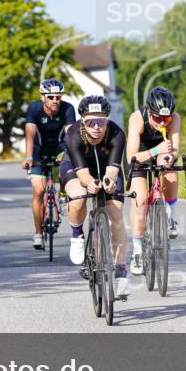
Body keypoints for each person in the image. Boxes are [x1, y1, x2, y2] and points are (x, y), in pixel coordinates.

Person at [62, 95, 130, 295]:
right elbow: (83, 174)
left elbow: (112, 170)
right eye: (91, 121)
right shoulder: (73, 135)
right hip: (78, 168)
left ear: (107, 120)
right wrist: (90, 183)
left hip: (106, 168)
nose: (96, 126)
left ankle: (121, 270)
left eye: (101, 121)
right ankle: (77, 234)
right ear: (83, 121)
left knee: (116, 215)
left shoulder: (117, 134)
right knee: (79, 195)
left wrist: (108, 182)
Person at [125, 86, 181, 277]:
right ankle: (138, 251)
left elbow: (174, 151)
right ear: (149, 112)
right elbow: (131, 157)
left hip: (161, 150)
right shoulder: (137, 118)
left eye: (166, 119)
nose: (162, 123)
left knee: (171, 173)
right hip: (140, 152)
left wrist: (168, 159)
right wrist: (156, 151)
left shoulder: (174, 119)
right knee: (140, 200)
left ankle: (171, 217)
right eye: (157, 118)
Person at [22, 78, 76, 249]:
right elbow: (30, 134)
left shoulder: (68, 109)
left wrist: (74, 155)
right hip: (39, 149)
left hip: (59, 147)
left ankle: (61, 194)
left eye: (58, 97)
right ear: (43, 97)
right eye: (51, 97)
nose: (55, 101)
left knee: (65, 163)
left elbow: (70, 135)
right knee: (38, 190)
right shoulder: (34, 108)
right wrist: (29, 157)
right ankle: (38, 233)